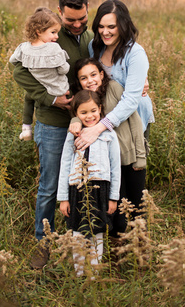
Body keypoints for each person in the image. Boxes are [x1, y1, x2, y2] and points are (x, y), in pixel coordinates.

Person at [10, 0, 93, 269]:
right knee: (49, 187)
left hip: (85, 124)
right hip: (52, 125)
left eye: (82, 18)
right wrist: (51, 98)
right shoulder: (45, 38)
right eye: (72, 20)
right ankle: (43, 244)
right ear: (60, 12)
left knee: (78, 184)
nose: (78, 24)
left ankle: (75, 242)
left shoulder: (90, 38)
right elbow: (18, 71)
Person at [74, 0, 154, 231]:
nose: (105, 32)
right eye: (101, 26)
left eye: (112, 26)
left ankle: (139, 234)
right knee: (113, 175)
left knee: (133, 176)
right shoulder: (95, 48)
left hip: (133, 121)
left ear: (123, 24)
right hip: (106, 120)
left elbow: (131, 99)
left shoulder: (135, 53)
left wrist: (100, 127)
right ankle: (118, 230)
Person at [70, 58, 147, 236]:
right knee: (117, 207)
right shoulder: (83, 98)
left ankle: (140, 244)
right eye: (84, 78)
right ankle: (117, 243)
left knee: (137, 204)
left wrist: (140, 155)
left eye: (93, 75)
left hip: (129, 157)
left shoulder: (113, 88)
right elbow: (77, 116)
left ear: (102, 74)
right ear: (79, 82)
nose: (90, 81)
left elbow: (134, 120)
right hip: (108, 164)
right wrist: (74, 120)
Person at [57, 90, 121, 276]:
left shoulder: (109, 134)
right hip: (76, 189)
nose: (89, 116)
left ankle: (94, 272)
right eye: (83, 113)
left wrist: (113, 197)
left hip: (100, 189)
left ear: (100, 109)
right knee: (77, 231)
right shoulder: (73, 135)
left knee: (97, 231)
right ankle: (79, 272)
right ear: (76, 115)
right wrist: (63, 198)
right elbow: (65, 165)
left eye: (93, 111)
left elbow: (115, 168)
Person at [9, 7, 69, 141]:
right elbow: (63, 69)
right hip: (59, 88)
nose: (57, 36)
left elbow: (13, 60)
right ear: (39, 31)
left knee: (29, 97)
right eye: (53, 32)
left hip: (42, 88)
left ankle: (26, 128)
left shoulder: (24, 47)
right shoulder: (54, 48)